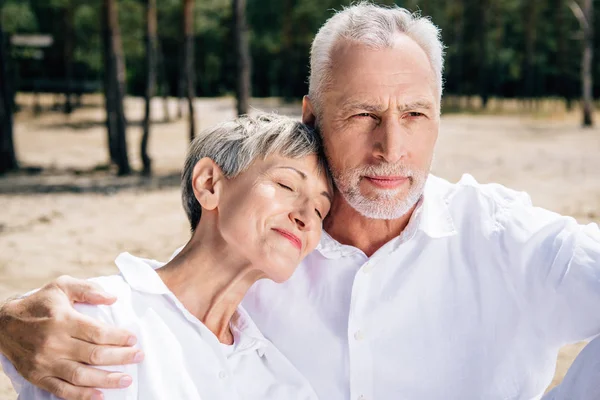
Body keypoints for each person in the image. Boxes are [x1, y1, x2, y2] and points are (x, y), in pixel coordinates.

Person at [1, 2, 600, 399]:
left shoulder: (506, 239)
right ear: (312, 117)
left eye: (415, 114)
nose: (391, 146)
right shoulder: (244, 279)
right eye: (363, 114)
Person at [1, 113, 331, 400]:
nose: (306, 217)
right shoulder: (99, 323)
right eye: (287, 185)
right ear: (209, 183)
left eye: (320, 209)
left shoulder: (280, 382)